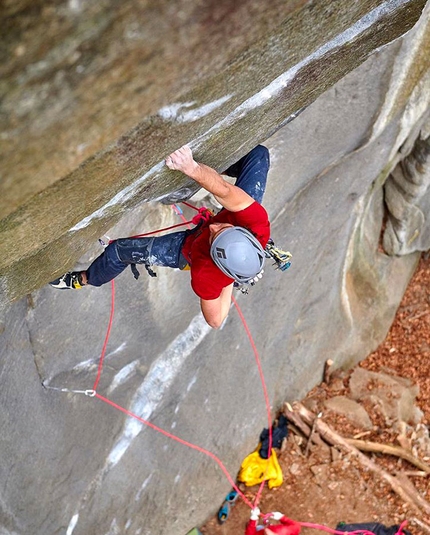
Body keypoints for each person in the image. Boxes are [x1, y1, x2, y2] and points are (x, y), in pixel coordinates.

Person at [50, 145, 271, 328]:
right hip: (236, 224)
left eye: (215, 236)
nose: (212, 228)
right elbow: (223, 191)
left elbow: (216, 320)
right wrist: (192, 168)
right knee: (258, 155)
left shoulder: (206, 274)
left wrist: (230, 278)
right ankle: (215, 169)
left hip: (188, 249)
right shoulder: (256, 224)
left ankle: (84, 280)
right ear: (244, 234)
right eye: (223, 228)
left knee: (118, 252)